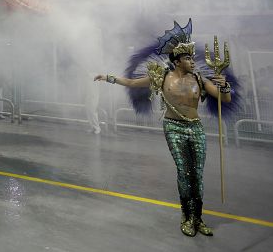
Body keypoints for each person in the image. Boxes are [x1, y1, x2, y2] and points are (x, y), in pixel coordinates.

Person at [95, 20, 232, 238]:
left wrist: (223, 83)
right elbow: (132, 83)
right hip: (173, 127)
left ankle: (198, 218)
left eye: (191, 57)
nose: (192, 61)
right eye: (187, 58)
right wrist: (108, 78)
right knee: (184, 172)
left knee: (197, 174)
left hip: (195, 127)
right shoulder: (162, 78)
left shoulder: (199, 78)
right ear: (177, 61)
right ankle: (186, 217)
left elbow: (224, 98)